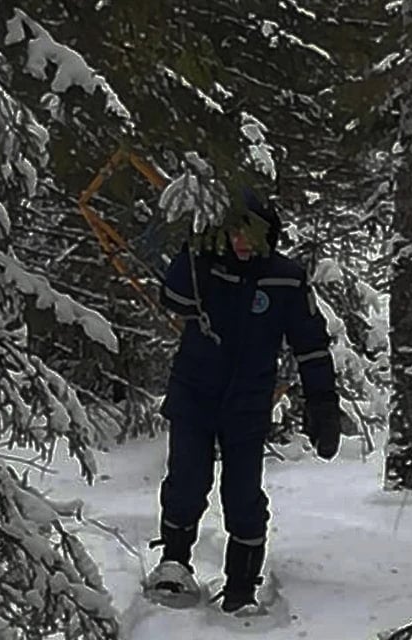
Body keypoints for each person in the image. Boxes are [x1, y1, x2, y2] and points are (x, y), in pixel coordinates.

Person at [144, 187, 342, 614]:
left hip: (247, 403)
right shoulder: (206, 267)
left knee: (243, 495)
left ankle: (241, 585)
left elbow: (310, 344)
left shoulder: (285, 277)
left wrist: (323, 402)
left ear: (267, 233)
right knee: (186, 483)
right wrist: (194, 251)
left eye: (249, 233)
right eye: (232, 233)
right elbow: (172, 298)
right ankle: (174, 564)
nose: (240, 242)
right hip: (194, 394)